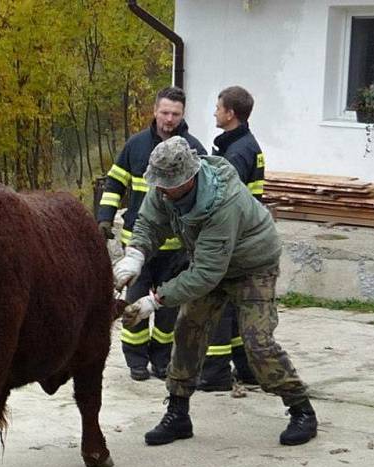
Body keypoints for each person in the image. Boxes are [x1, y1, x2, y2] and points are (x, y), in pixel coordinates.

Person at [113, 136, 317, 447]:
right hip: (210, 264)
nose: (162, 190)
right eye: (160, 183)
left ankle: (301, 409)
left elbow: (206, 274)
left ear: (190, 178)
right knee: (188, 331)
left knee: (257, 342)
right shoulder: (164, 191)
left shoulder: (224, 202)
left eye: (169, 184)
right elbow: (149, 223)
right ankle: (178, 414)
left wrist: (155, 301)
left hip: (252, 267)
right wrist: (135, 255)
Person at [97, 86, 207, 382]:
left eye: (175, 113)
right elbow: (114, 183)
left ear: (183, 114)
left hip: (177, 249)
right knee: (133, 301)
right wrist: (104, 218)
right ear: (154, 111)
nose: (169, 119)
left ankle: (161, 360)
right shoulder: (135, 146)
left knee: (167, 306)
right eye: (164, 112)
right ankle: (135, 360)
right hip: (138, 244)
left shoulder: (194, 149)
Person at [198, 85, 265, 391]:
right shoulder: (242, 145)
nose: (215, 111)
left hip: (232, 241)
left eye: (218, 107)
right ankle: (247, 368)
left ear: (230, 113)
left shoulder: (237, 153)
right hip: (244, 239)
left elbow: (223, 199)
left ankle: (215, 375)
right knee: (238, 309)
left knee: (220, 308)